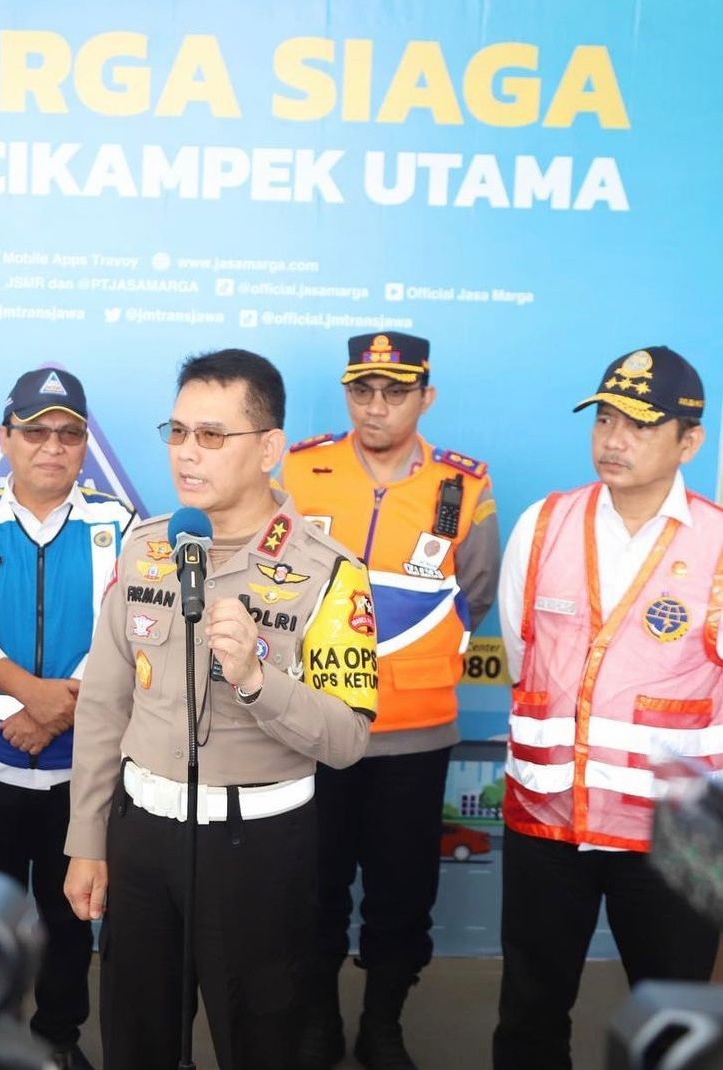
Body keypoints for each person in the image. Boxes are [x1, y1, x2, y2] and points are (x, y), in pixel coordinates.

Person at [64, 349, 378, 1070]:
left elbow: (347, 740)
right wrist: (87, 837)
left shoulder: (328, 572)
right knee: (134, 1043)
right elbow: (106, 705)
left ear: (270, 449)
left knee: (261, 1045)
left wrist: (257, 678)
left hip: (258, 851)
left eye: (211, 435)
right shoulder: (147, 550)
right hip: (142, 840)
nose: (187, 454)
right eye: (176, 433)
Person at [493, 346, 721, 1069]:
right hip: (547, 820)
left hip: (675, 832)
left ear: (690, 440)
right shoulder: (543, 525)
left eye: (640, 425)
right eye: (606, 419)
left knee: (674, 1022)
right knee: (529, 1011)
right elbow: (525, 659)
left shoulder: (718, 544)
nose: (614, 440)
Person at [280, 332, 500, 1069]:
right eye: (363, 390)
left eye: (395, 391)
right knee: (313, 891)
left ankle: (383, 1025)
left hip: (415, 735)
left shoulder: (462, 486)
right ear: (348, 394)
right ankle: (316, 1022)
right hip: (312, 730)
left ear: (425, 397)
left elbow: (475, 593)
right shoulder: (299, 469)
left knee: (402, 896)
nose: (376, 406)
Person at [0, 368, 137, 1070]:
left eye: (68, 433)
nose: (52, 446)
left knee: (69, 917)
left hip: (79, 771)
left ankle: (57, 1038)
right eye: (36, 431)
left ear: (85, 445)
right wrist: (31, 695)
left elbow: (128, 631)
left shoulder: (122, 526)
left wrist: (55, 713)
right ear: (7, 438)